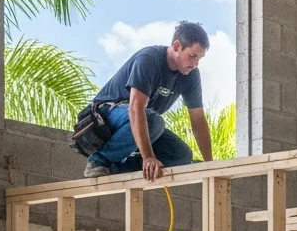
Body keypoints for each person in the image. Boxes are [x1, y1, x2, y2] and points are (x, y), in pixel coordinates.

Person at [81, 21, 212, 181]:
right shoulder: (149, 59)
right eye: (192, 56)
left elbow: (198, 119)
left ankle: (117, 170)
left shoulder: (191, 75)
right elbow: (136, 108)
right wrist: (149, 157)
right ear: (177, 46)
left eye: (200, 58)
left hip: (143, 123)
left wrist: (210, 165)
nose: (195, 64)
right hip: (107, 116)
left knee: (181, 154)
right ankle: (99, 161)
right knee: (154, 120)